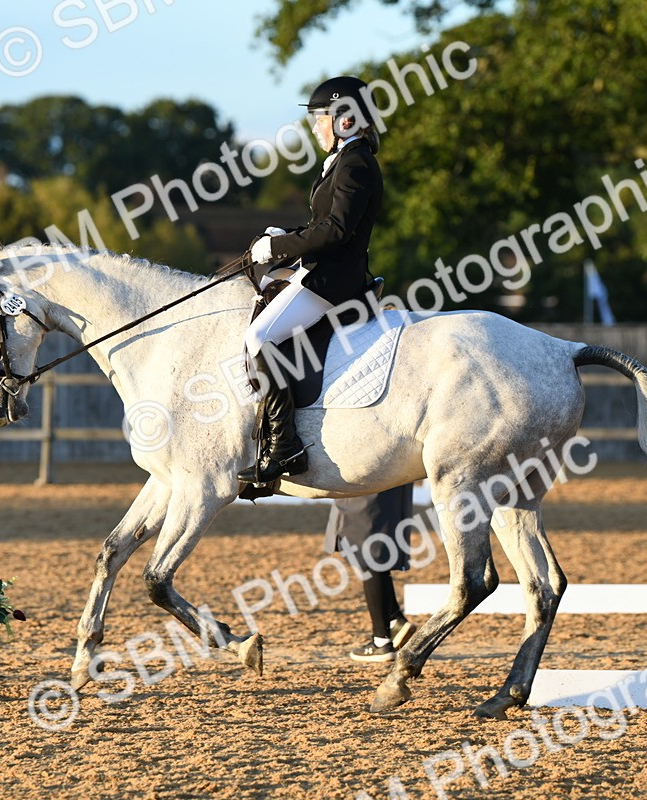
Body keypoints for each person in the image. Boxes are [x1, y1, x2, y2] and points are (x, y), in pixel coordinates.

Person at [238, 76, 384, 485]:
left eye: (321, 119)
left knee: (260, 338)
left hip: (332, 279)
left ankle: (284, 447)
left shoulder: (355, 163)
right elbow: (321, 224)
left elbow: (336, 229)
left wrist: (281, 247)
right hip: (322, 269)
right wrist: (279, 238)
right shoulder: (345, 160)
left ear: (346, 120)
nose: (316, 127)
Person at [325, 484, 417, 663]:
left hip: (369, 478)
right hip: (392, 478)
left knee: (367, 549)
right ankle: (393, 620)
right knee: (372, 548)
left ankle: (381, 640)